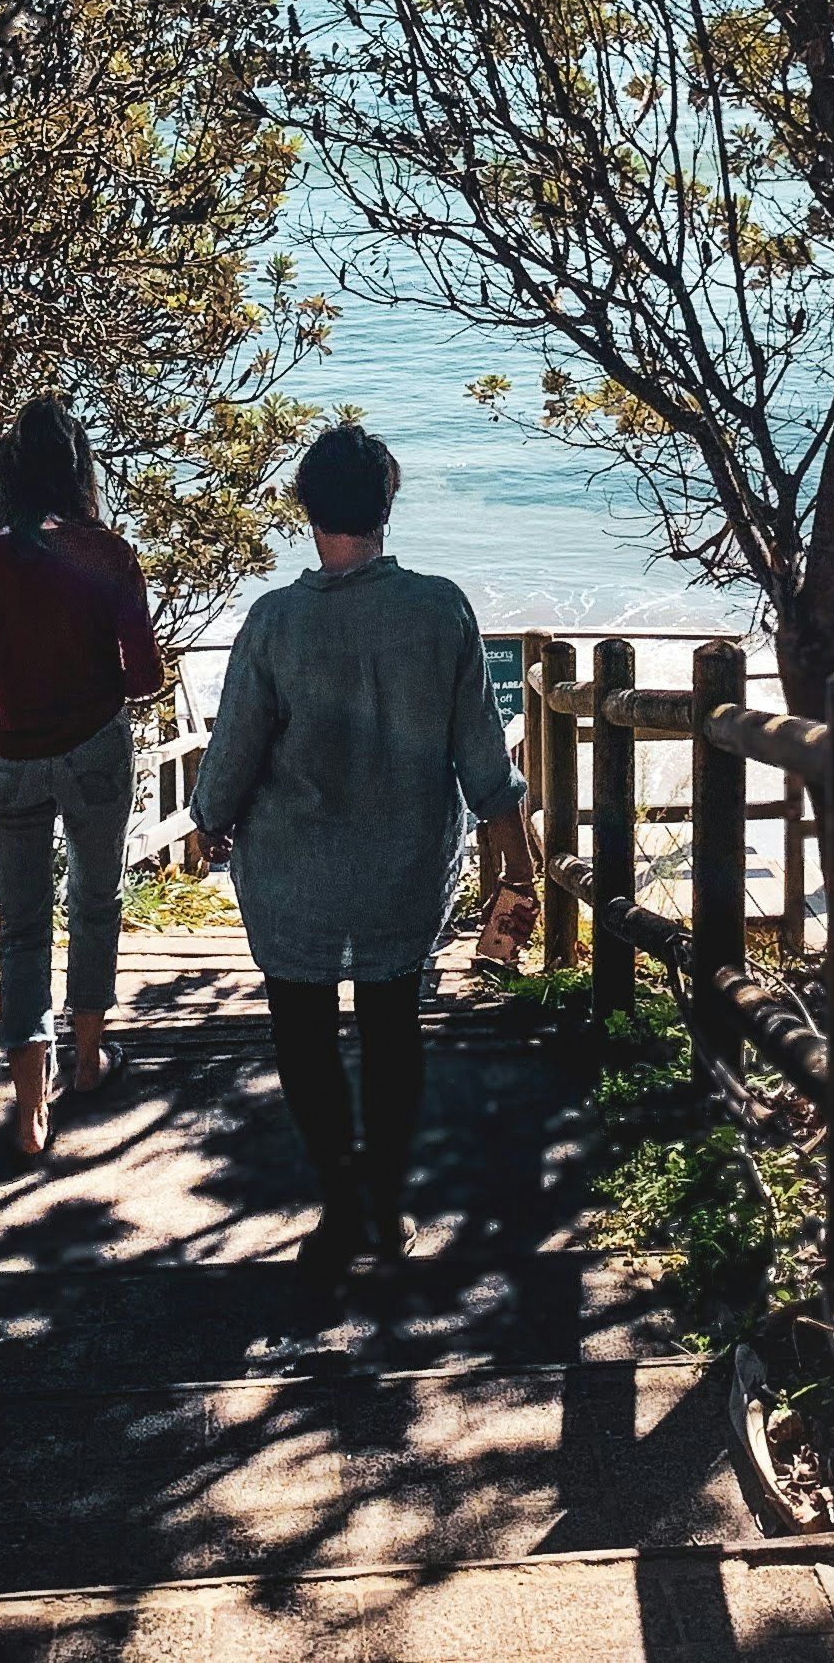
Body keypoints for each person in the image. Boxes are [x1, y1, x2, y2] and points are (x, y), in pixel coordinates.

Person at [191, 420, 541, 1273]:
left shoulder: (274, 621)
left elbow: (233, 748)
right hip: (405, 865)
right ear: (387, 505)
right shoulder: (439, 606)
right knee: (393, 1029)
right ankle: (383, 1208)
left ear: (305, 507)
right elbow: (480, 749)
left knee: (302, 1032)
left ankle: (340, 1204)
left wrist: (207, 821)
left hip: (293, 871)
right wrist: (515, 852)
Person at [0, 395, 164, 1157]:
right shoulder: (107, 551)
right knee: (95, 899)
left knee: (22, 926)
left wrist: (9, 666)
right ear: (78, 470)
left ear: (5, 473)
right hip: (94, 748)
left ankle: (30, 1106)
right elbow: (144, 680)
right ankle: (89, 1060)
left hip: (6, 758)